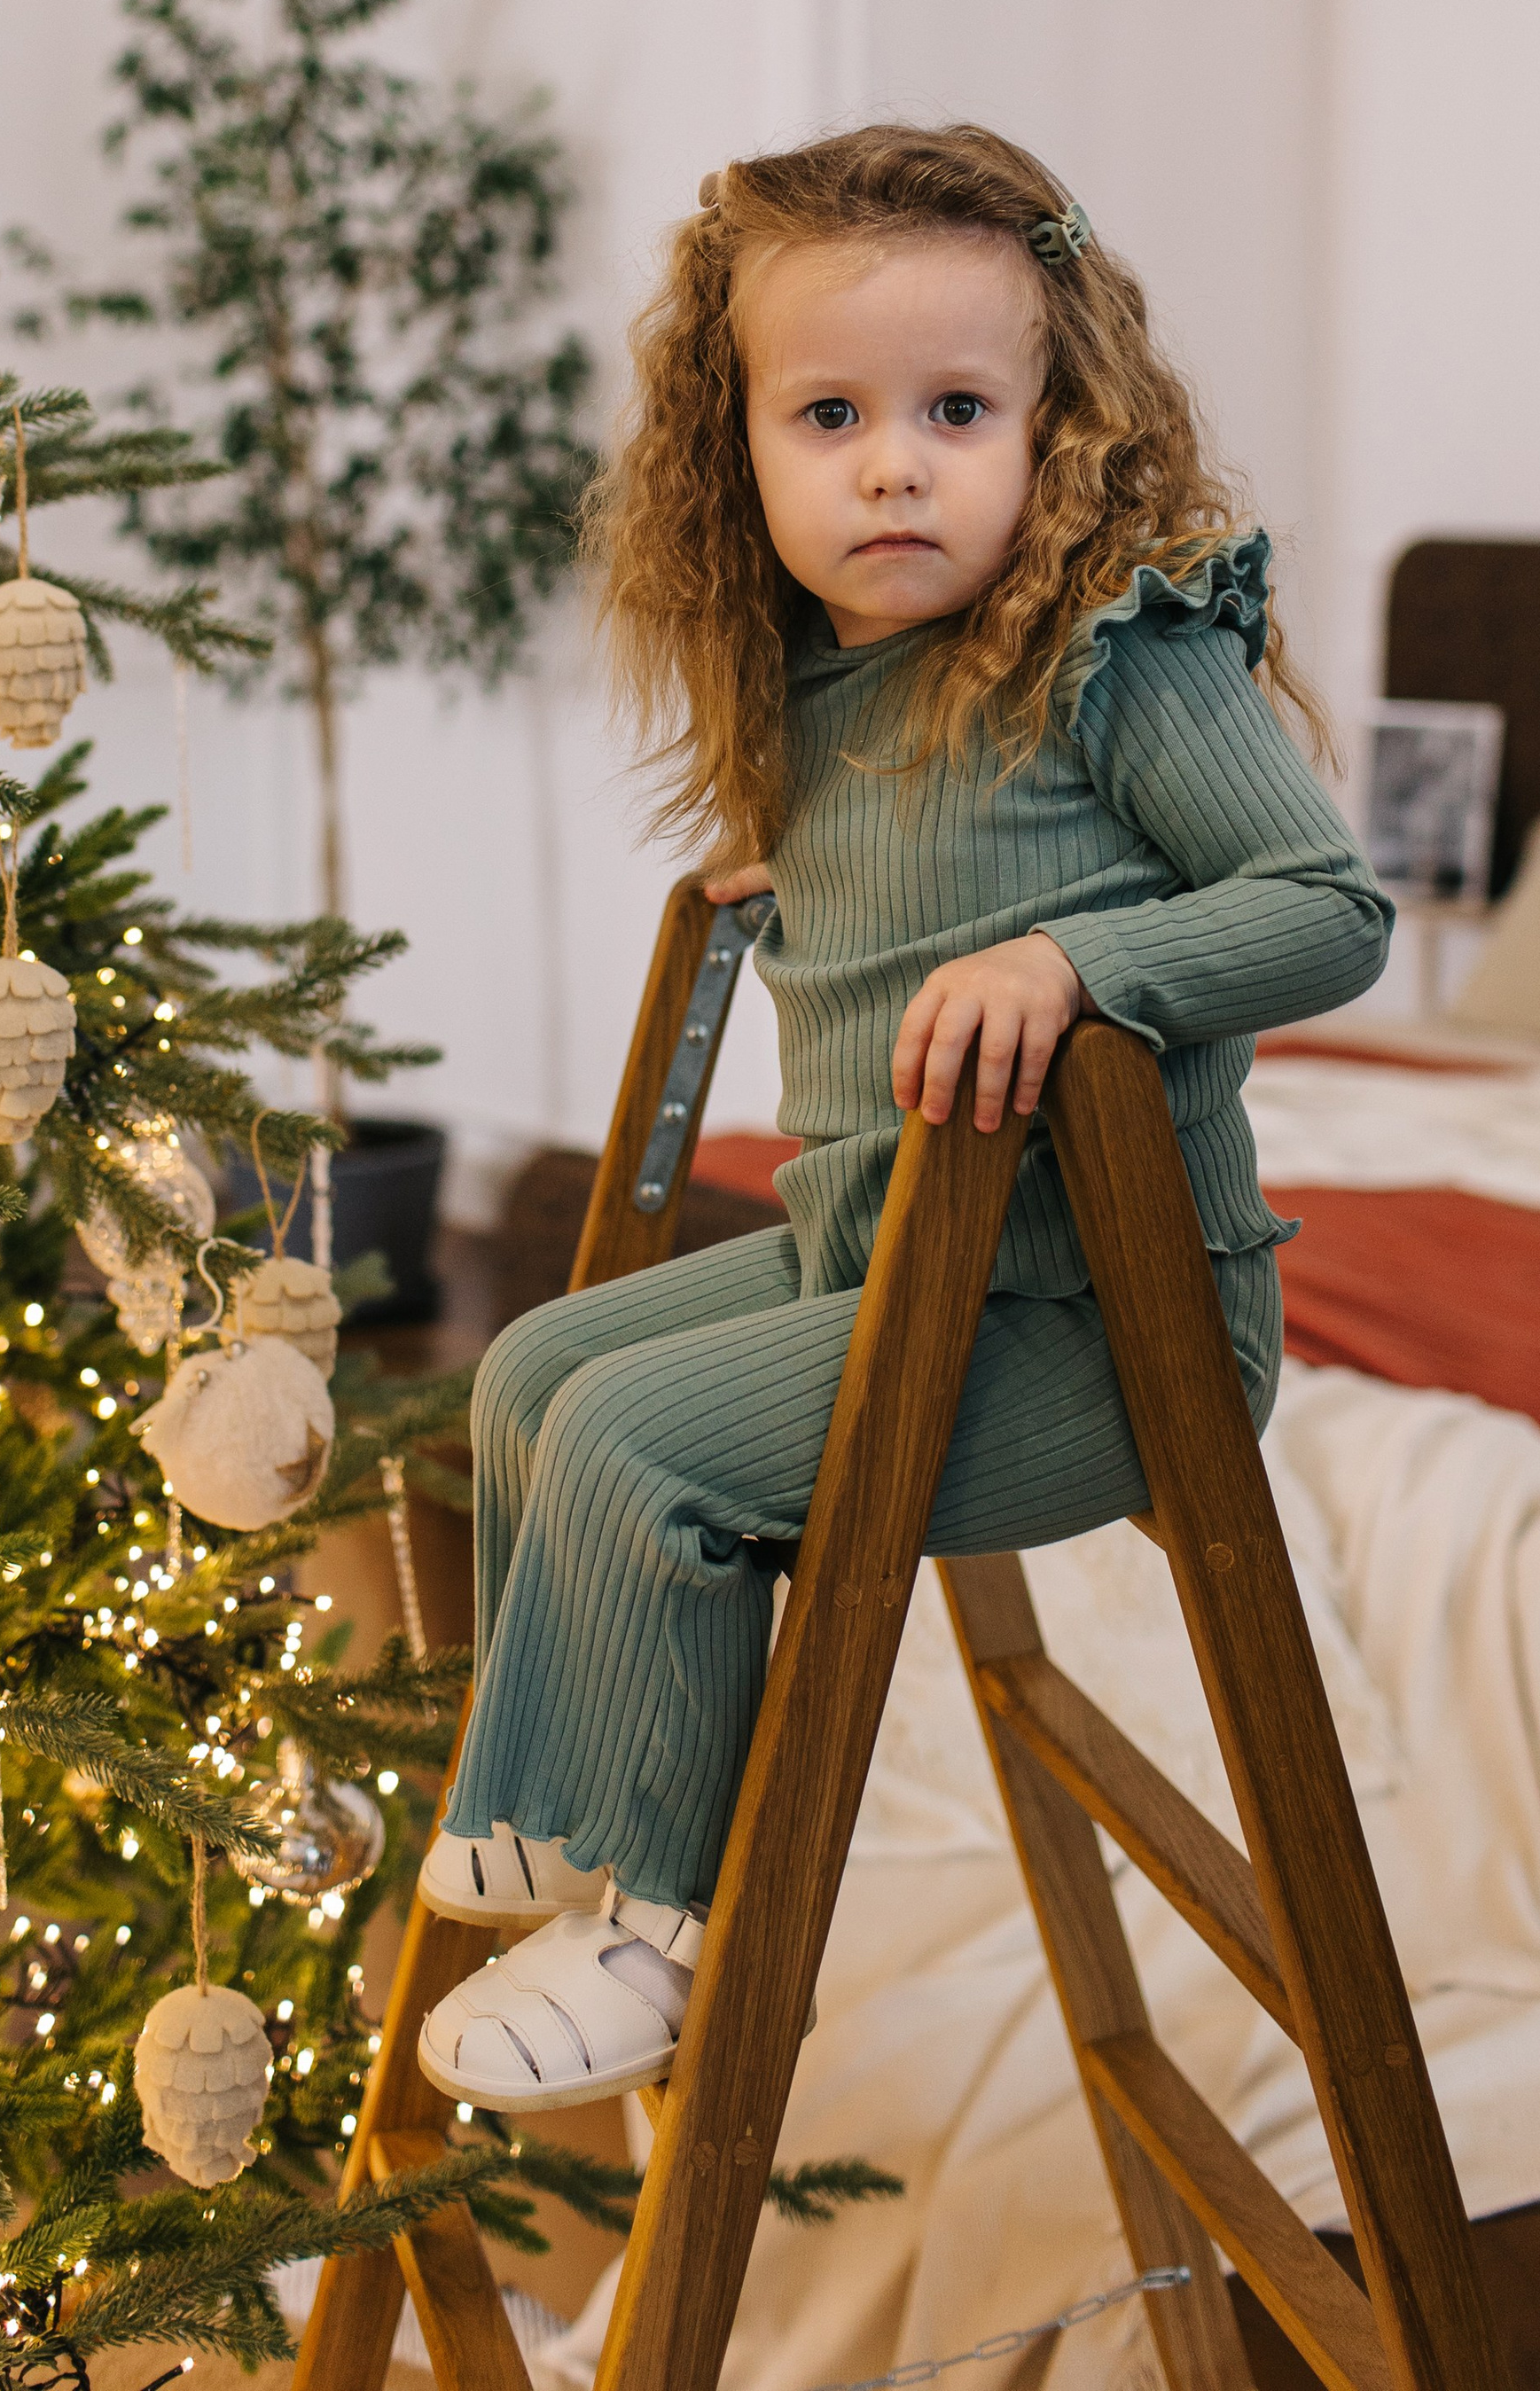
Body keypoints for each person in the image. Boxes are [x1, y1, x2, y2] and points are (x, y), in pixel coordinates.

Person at [415, 121, 1389, 2112]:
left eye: (956, 409)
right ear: (737, 446)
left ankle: (660, 1925)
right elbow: (909, 877)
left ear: (1057, 424)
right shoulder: (816, 683)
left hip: (1096, 1327)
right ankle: (548, 1799)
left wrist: (1072, 971)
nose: (891, 463)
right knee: (525, 1372)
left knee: (631, 1444)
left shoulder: (1116, 660)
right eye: (830, 413)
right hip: (891, 1255)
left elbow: (1325, 908)